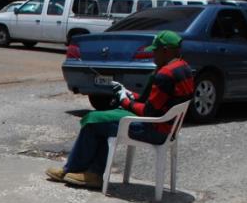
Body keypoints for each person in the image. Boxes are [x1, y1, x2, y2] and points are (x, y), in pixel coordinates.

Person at [46, 30, 195, 189]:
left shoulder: (165, 74)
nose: (153, 55)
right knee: (102, 118)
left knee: (93, 123)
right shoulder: (184, 67)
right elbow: (156, 101)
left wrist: (125, 101)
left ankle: (84, 172)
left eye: (156, 51)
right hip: (168, 128)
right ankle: (87, 170)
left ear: (166, 51)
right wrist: (130, 94)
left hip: (155, 130)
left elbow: (148, 112)